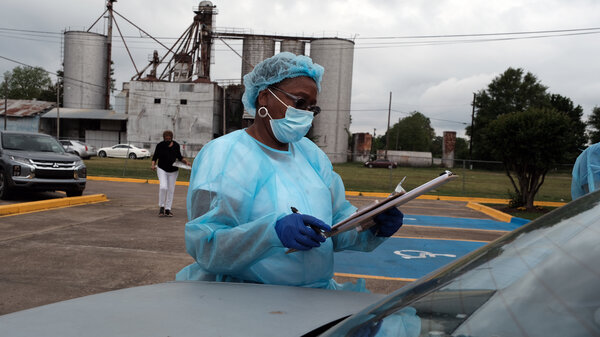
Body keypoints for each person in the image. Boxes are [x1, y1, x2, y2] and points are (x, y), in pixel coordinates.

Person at [175, 52, 404, 292]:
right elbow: (207, 245)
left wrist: (370, 224)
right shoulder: (225, 154)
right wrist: (271, 232)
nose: (306, 114)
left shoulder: (311, 155)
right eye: (299, 102)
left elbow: (335, 227)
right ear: (264, 97)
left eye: (311, 108)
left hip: (315, 296)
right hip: (247, 300)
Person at [151, 130, 191, 217]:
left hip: (173, 171)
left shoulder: (176, 145)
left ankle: (168, 209)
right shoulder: (160, 145)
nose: (168, 139)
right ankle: (161, 207)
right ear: (164, 138)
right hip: (162, 169)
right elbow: (155, 157)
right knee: (163, 187)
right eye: (166, 138)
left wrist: (186, 162)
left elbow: (179, 157)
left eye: (169, 138)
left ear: (172, 137)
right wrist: (153, 165)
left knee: (171, 190)